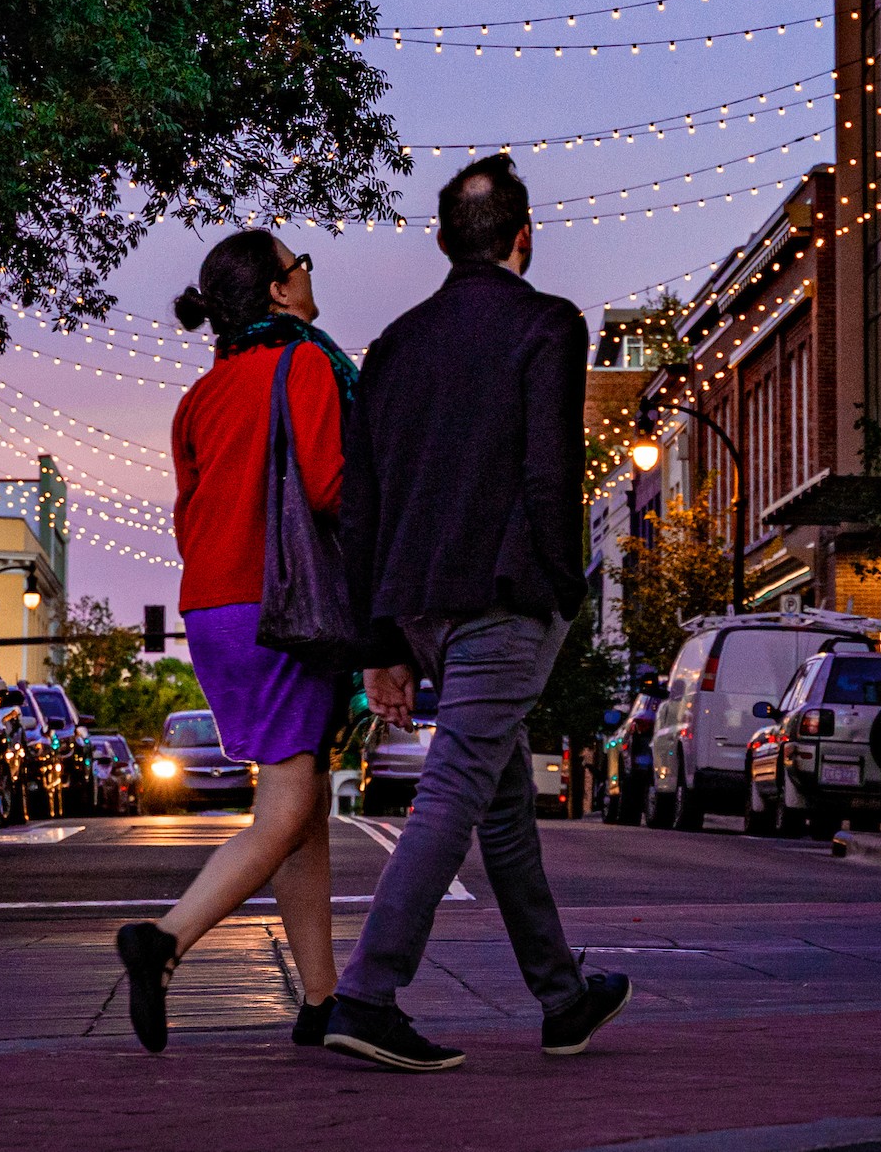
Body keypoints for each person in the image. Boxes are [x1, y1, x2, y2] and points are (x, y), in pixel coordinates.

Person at [323, 154, 629, 1073]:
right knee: (458, 785)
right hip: (501, 592)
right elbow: (550, 471)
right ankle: (368, 992)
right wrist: (562, 583)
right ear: (524, 237)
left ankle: (562, 996)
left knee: (498, 799)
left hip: (417, 603)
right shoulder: (548, 325)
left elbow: (363, 508)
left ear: (447, 241)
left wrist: (381, 642)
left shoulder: (393, 347)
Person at [113, 227, 359, 1054]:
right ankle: (166, 939)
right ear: (278, 292)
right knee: (287, 805)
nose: (307, 277)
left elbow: (190, 512)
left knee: (302, 801)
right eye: (299, 266)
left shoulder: (198, 395)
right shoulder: (308, 363)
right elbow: (329, 485)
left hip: (211, 607)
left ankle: (322, 997)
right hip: (283, 600)